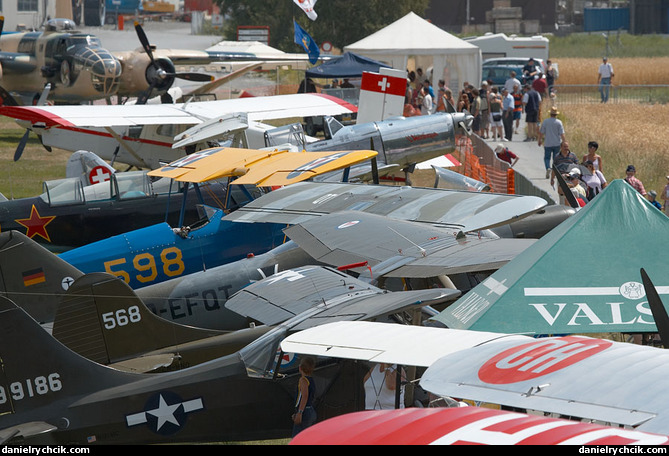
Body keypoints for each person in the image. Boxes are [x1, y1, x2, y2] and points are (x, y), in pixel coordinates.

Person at [292, 357, 317, 437]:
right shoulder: (311, 380)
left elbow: (304, 396)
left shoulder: (303, 380)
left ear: (300, 368)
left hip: (305, 411)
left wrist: (299, 412)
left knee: (298, 437)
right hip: (310, 410)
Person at [539, 106, 566, 179]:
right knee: (555, 158)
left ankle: (548, 167)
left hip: (548, 142)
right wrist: (564, 142)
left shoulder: (546, 121)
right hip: (556, 143)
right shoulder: (559, 122)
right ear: (556, 115)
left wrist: (540, 140)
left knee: (547, 158)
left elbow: (541, 132)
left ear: (550, 114)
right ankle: (555, 171)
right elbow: (562, 133)